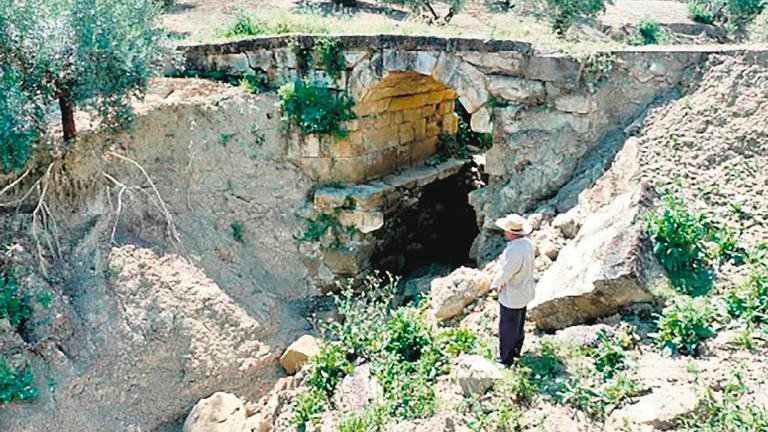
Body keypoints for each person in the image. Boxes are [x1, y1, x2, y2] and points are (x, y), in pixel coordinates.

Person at [491, 213, 535, 366]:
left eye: (506, 230)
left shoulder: (514, 250)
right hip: (524, 291)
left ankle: (506, 359)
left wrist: (495, 285)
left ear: (511, 233)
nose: (504, 232)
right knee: (518, 324)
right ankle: (516, 351)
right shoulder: (528, 244)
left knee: (507, 328)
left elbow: (506, 273)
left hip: (513, 294)